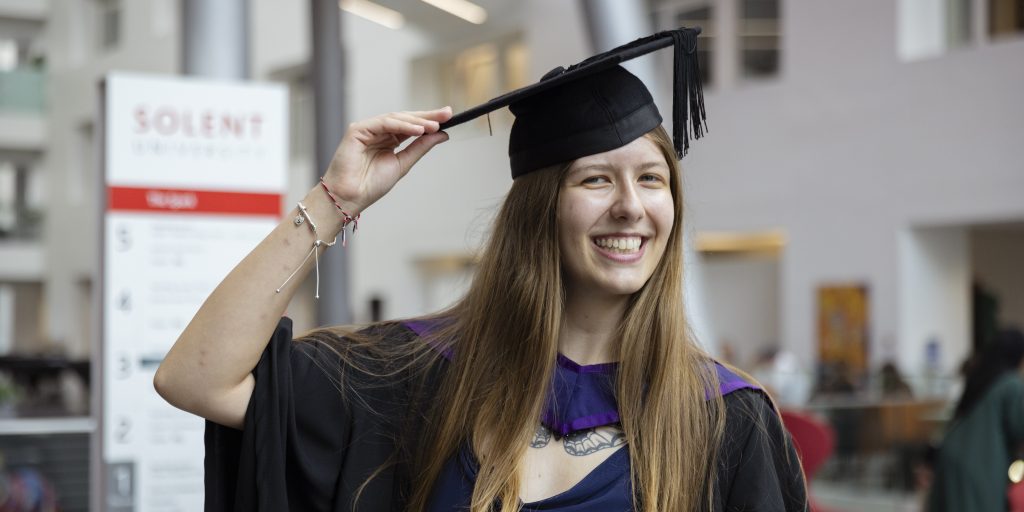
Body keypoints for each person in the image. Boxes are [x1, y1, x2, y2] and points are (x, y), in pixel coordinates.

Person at [154, 29, 807, 511]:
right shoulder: (418, 379)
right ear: (540, 210)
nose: (630, 207)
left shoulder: (724, 420)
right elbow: (197, 378)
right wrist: (335, 202)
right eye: (597, 179)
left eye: (651, 179)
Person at [928, 328, 1024, 511]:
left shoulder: (981, 375)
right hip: (980, 463)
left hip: (951, 455)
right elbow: (1018, 426)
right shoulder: (1011, 384)